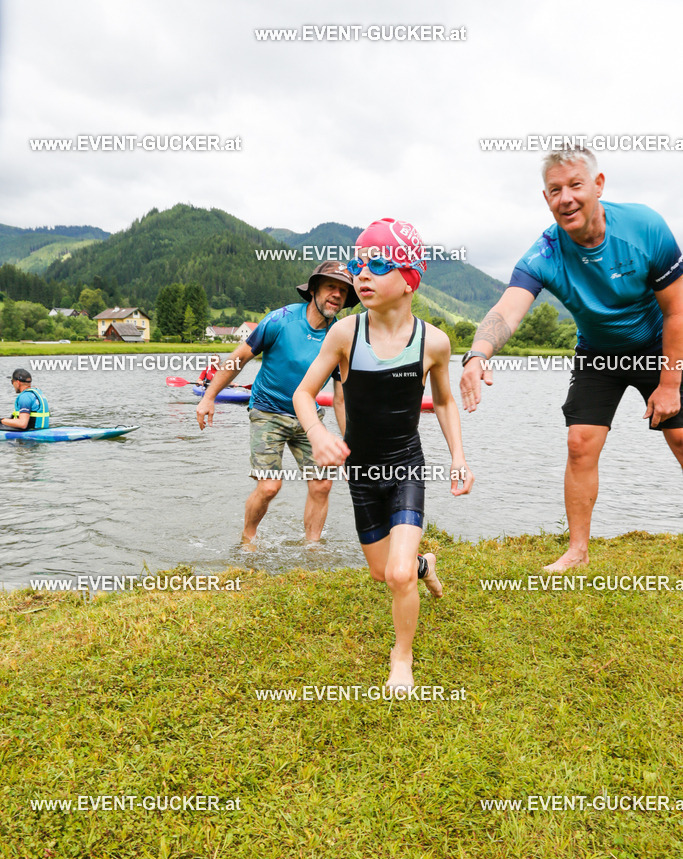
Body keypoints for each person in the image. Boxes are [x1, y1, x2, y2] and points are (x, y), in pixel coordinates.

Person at [460, 145, 683, 571]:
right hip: (598, 354)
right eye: (555, 190)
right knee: (580, 444)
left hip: (659, 345)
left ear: (598, 185)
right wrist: (476, 354)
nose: (566, 198)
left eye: (575, 185)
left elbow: (677, 310)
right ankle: (577, 551)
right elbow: (507, 309)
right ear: (546, 199)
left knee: (680, 438)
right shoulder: (543, 254)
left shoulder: (645, 226)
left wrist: (670, 383)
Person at [293, 219, 473, 695]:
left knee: (395, 573)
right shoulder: (345, 334)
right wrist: (317, 434)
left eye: (377, 264)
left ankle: (402, 656)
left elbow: (446, 401)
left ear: (410, 276)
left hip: (407, 465)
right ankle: (424, 565)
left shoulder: (433, 342)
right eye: (358, 266)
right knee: (383, 572)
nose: (362, 276)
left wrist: (458, 456)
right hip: (362, 472)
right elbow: (304, 395)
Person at [196, 261, 355, 543]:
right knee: (269, 486)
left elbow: (341, 398)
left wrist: (348, 442)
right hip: (267, 410)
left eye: (344, 290)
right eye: (331, 286)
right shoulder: (280, 319)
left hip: (310, 419)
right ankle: (248, 538)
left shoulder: (340, 336)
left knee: (322, 484)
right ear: (314, 289)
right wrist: (209, 397)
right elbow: (240, 358)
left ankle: (312, 547)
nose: (337, 294)